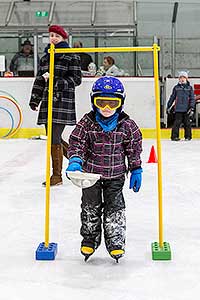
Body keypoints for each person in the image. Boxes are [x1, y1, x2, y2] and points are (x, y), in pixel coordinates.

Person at [65, 76, 143, 262]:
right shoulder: (87, 123)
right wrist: (75, 160)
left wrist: (136, 168)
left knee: (114, 209)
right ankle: (90, 239)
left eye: (112, 103)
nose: (107, 108)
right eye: (101, 102)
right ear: (93, 102)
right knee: (90, 208)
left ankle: (115, 241)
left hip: (115, 176)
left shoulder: (128, 126)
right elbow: (77, 143)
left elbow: (134, 148)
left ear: (120, 103)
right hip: (89, 176)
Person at [29, 25, 82, 186]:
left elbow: (76, 79)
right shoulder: (46, 57)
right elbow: (39, 80)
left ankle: (57, 175)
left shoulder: (71, 56)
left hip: (62, 102)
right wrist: (34, 99)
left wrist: (56, 82)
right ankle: (79, 162)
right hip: (47, 101)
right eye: (51, 35)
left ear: (63, 39)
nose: (53, 38)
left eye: (57, 36)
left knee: (54, 137)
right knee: (54, 137)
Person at [166, 71, 195, 141]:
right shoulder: (176, 88)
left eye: (184, 78)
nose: (182, 79)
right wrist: (168, 106)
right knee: (176, 123)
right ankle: (174, 136)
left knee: (187, 123)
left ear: (186, 79)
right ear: (178, 79)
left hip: (186, 109)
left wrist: (191, 107)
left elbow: (192, 98)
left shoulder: (189, 88)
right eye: (180, 78)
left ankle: (188, 136)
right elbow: (172, 97)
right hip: (178, 109)